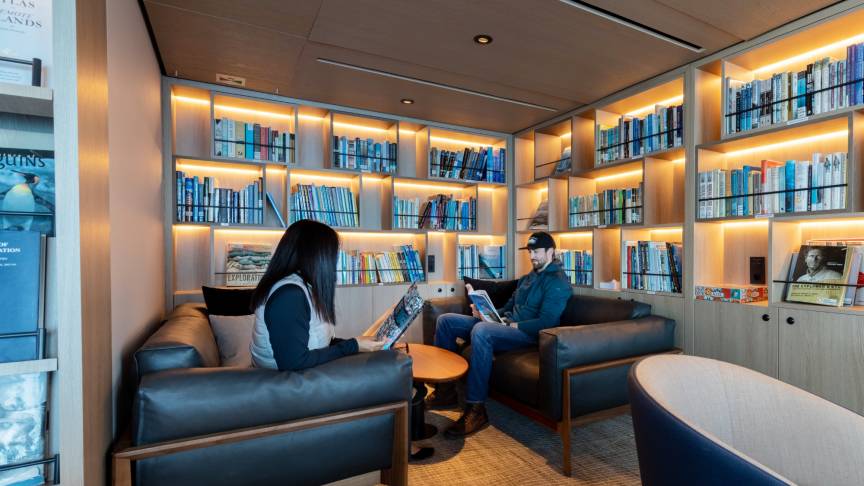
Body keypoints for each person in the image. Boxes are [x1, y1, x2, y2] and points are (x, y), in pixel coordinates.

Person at [427, 231, 572, 438]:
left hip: (529, 336)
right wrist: (488, 314)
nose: (532, 256)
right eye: (530, 251)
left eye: (537, 251)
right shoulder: (527, 278)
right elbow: (508, 307)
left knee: (482, 330)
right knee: (447, 321)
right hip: (506, 327)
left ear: (551, 251)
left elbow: (547, 322)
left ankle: (476, 409)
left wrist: (512, 326)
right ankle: (445, 392)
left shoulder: (557, 281)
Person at [249, 219, 384, 371]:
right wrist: (353, 346)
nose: (334, 262)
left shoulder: (301, 287)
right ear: (316, 256)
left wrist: (359, 344)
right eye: (332, 255)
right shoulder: (289, 296)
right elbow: (293, 363)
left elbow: (315, 342)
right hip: (282, 385)